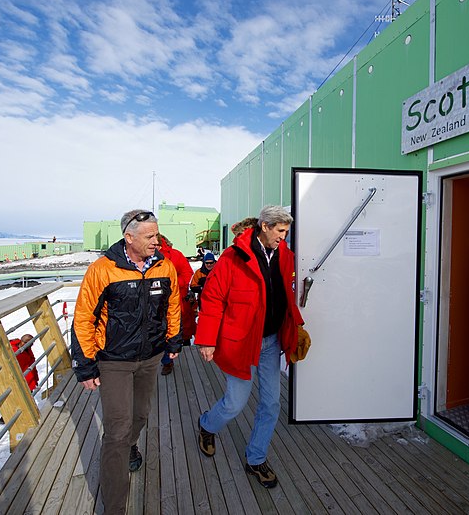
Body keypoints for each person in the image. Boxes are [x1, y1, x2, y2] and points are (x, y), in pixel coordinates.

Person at [71, 209, 182, 515]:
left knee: (141, 416)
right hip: (114, 361)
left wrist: (174, 340)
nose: (156, 241)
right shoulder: (103, 270)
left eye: (157, 235)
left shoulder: (164, 267)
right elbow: (83, 318)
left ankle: (131, 443)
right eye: (150, 236)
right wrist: (86, 365)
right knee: (117, 431)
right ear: (128, 237)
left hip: (149, 359)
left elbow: (172, 306)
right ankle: (115, 507)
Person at [195, 205, 307, 489]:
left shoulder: (284, 256)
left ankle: (256, 458)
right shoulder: (233, 258)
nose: (284, 236)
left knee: (271, 402)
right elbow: (213, 298)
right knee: (236, 402)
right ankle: (207, 425)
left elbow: (286, 296)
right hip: (241, 342)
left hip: (270, 341)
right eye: (280, 231)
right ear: (265, 227)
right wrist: (207, 339)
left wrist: (295, 327)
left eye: (286, 232)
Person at [157, 234, 195, 376]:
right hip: (155, 302)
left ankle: (180, 356)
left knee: (178, 329)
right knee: (159, 332)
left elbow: (187, 273)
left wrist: (172, 285)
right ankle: (166, 361)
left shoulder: (175, 255)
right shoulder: (146, 256)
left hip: (177, 300)